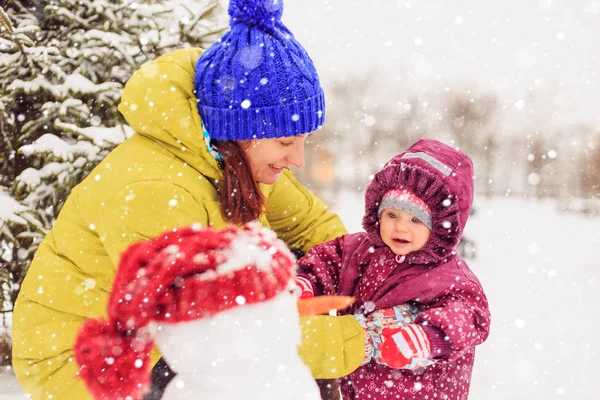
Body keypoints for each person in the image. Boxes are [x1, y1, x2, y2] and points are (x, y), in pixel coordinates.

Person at [11, 1, 367, 399]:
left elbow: (311, 225)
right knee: (260, 374)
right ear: (239, 130)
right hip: (88, 362)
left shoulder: (237, 158)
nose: (298, 159)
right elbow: (228, 328)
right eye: (286, 142)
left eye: (303, 141)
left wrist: (364, 276)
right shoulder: (156, 190)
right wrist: (364, 341)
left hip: (166, 334)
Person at [297, 138, 492, 400]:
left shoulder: (450, 275)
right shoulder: (361, 249)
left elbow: (470, 317)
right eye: (392, 215)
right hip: (359, 387)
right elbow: (328, 259)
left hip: (421, 392)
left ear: (440, 226)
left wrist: (426, 337)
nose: (401, 228)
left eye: (415, 220)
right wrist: (307, 282)